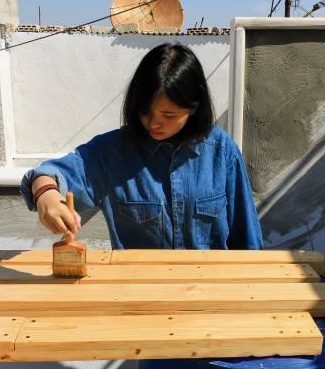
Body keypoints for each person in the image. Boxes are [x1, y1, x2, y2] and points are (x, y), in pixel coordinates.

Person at [20, 43, 263, 250]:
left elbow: (248, 241)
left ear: (193, 108)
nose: (154, 123)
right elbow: (48, 174)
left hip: (210, 295)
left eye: (168, 114)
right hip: (136, 296)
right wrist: (46, 194)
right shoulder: (112, 154)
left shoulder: (222, 153)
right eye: (145, 111)